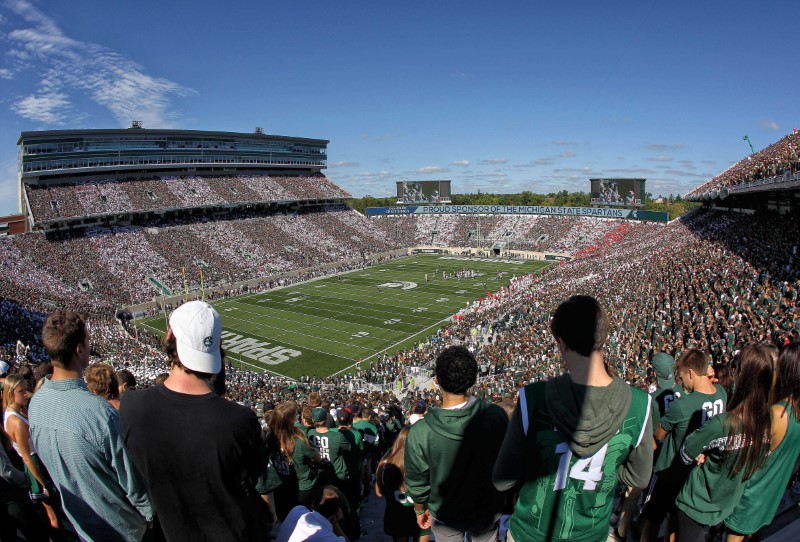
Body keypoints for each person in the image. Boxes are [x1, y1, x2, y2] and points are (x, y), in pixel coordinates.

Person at [493, 295, 653, 542]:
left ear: (562, 343)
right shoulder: (641, 404)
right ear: (603, 336)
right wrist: (605, 470)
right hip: (591, 532)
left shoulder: (532, 398)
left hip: (532, 532)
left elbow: (502, 480)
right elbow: (639, 477)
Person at [120, 300, 268, 542]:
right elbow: (256, 473)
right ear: (217, 346)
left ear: (169, 335)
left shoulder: (132, 407)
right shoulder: (239, 420)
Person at [29, 310, 153, 542]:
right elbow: (134, 485)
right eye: (87, 341)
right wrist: (150, 515)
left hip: (81, 525)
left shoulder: (36, 403)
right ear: (79, 349)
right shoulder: (99, 413)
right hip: (123, 530)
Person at [405, 345, 508, 541]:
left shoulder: (421, 431)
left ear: (436, 380)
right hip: (485, 508)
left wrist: (420, 510)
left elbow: (417, 482)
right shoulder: (495, 416)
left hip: (445, 514)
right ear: (473, 379)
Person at [675, 345, 774, 542]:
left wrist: (703, 453)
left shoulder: (723, 424)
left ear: (742, 377)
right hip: (728, 504)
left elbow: (686, 453)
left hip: (696, 505)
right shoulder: (768, 423)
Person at [639, 348, 727, 542]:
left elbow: (659, 434)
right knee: (675, 517)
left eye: (682, 377)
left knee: (652, 517)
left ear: (690, 373)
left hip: (670, 468)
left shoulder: (684, 405)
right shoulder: (721, 394)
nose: (682, 383)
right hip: (696, 472)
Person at [724, 342, 800, 541]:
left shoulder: (777, 414)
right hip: (770, 496)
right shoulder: (794, 412)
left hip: (750, 495)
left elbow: (749, 454)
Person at [265, 401, 320, 520]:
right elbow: (318, 457)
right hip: (301, 487)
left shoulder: (270, 438)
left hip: (281, 485)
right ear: (291, 421)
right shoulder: (299, 441)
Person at [375, 426, 430, 542]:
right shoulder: (427, 463)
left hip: (396, 513)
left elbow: (379, 493)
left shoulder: (384, 464)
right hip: (422, 512)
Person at [0, 421, 48, 542]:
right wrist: (25, 478)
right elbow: (4, 470)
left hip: (7, 498)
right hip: (12, 497)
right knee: (38, 536)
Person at [275, 485, 349, 542]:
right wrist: (335, 523)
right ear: (338, 511)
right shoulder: (326, 537)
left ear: (313, 504)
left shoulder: (297, 510)